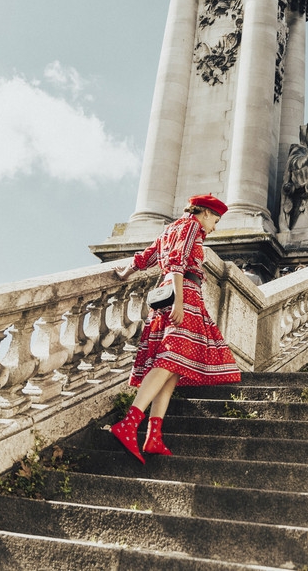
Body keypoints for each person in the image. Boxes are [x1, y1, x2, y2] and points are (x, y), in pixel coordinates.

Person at [111, 194, 241, 463]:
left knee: (174, 367)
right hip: (182, 295)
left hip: (171, 294)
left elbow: (147, 257)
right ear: (204, 213)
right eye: (215, 220)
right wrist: (179, 302)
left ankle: (153, 436)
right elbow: (177, 264)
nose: (214, 227)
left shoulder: (170, 229)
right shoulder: (191, 226)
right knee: (169, 360)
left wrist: (126, 273)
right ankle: (129, 424)